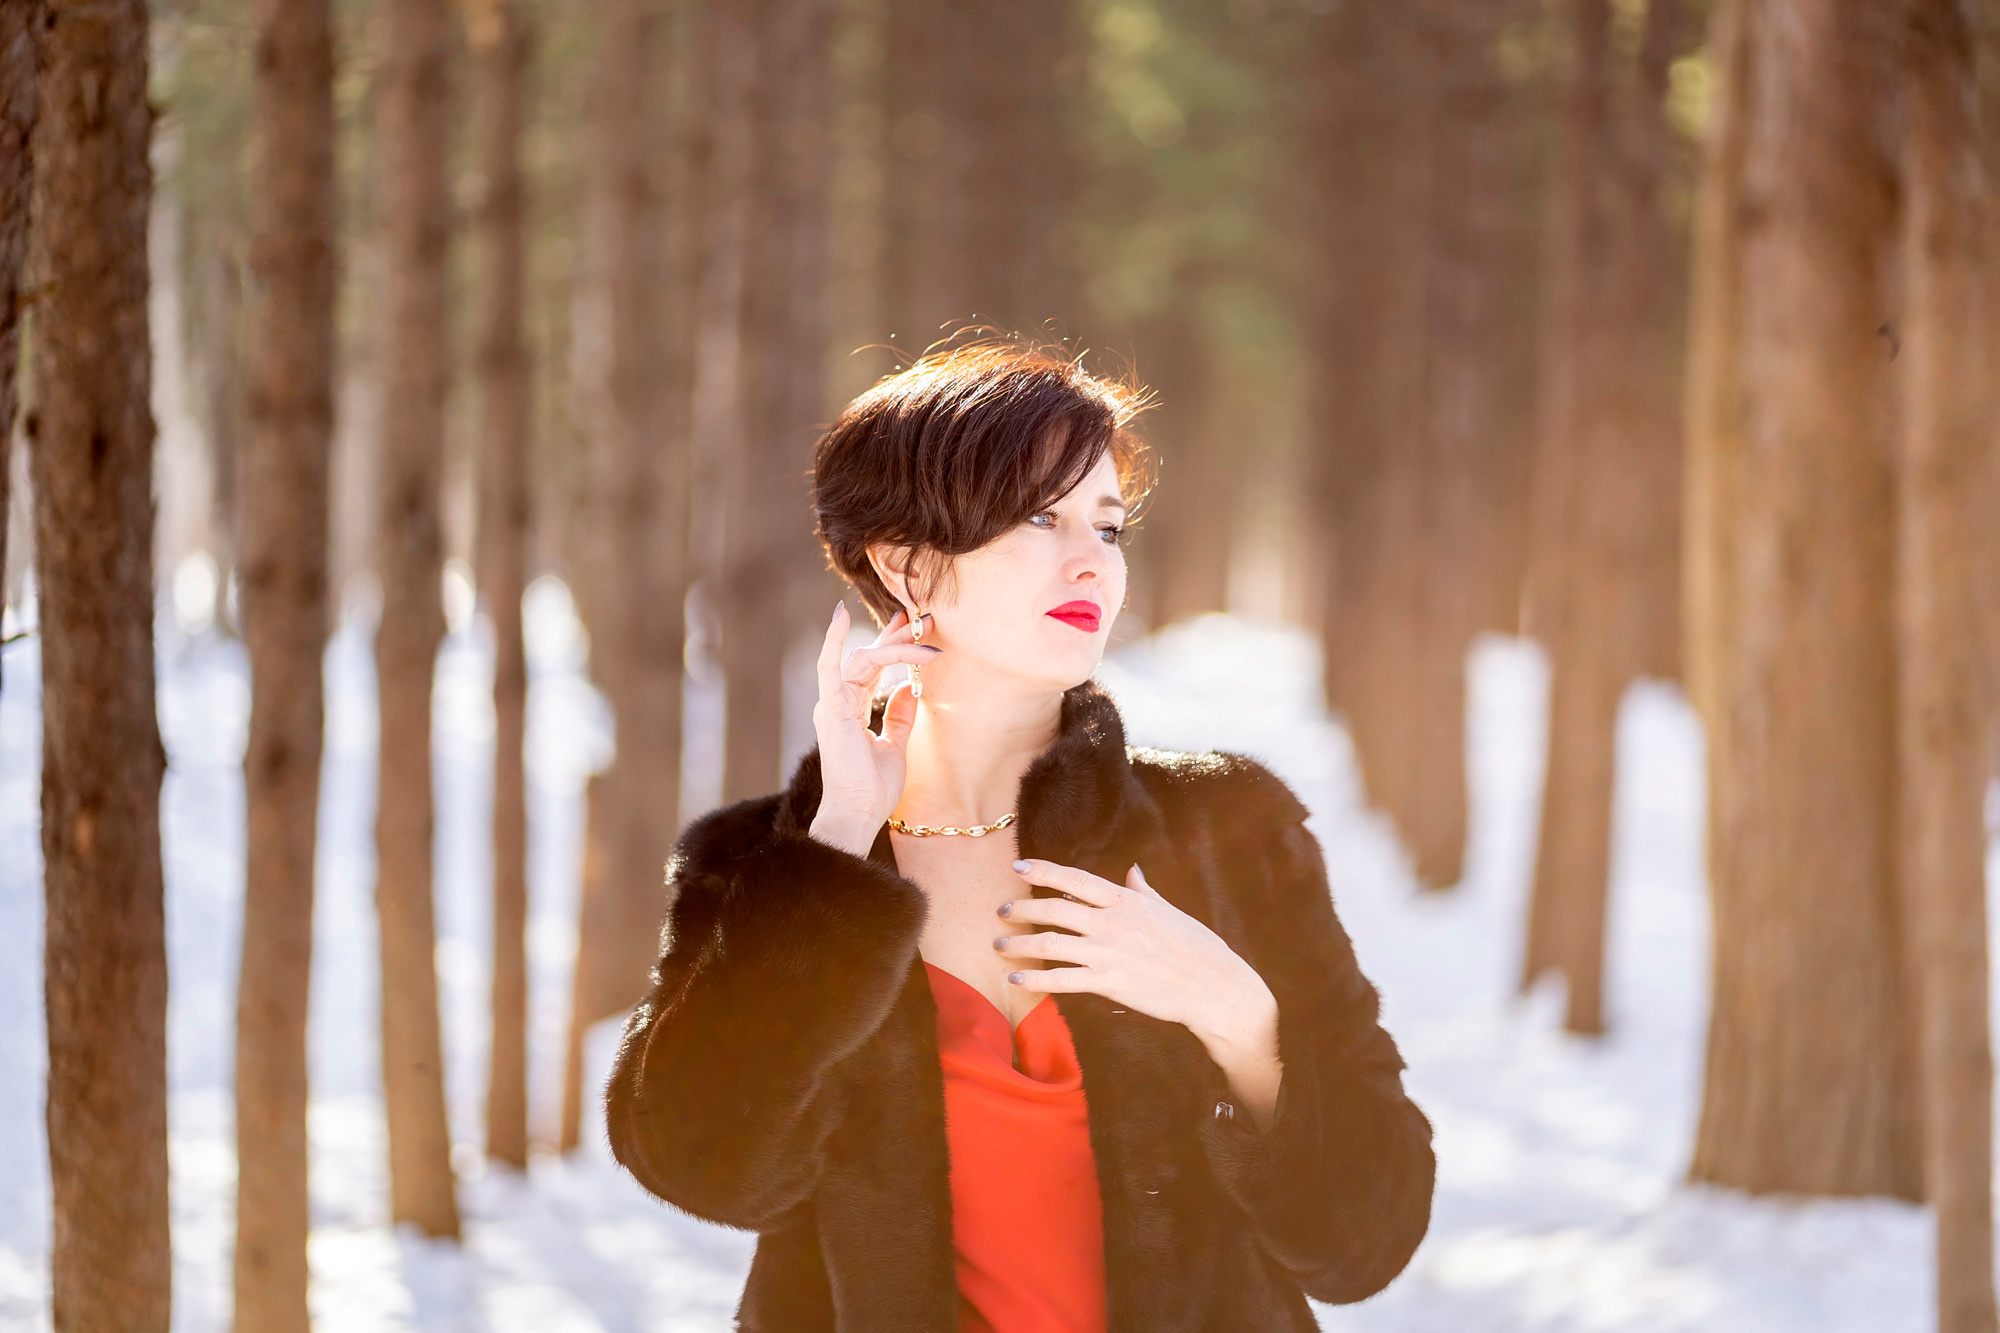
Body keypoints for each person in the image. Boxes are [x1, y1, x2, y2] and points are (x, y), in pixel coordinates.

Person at [604, 338, 1435, 1332]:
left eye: (1108, 525)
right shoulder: (769, 866)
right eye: (1039, 516)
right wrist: (834, 848)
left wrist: (1235, 1017)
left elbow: (1366, 1241)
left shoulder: (1228, 825)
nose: (1091, 558)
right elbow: (704, 1163)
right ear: (905, 560)